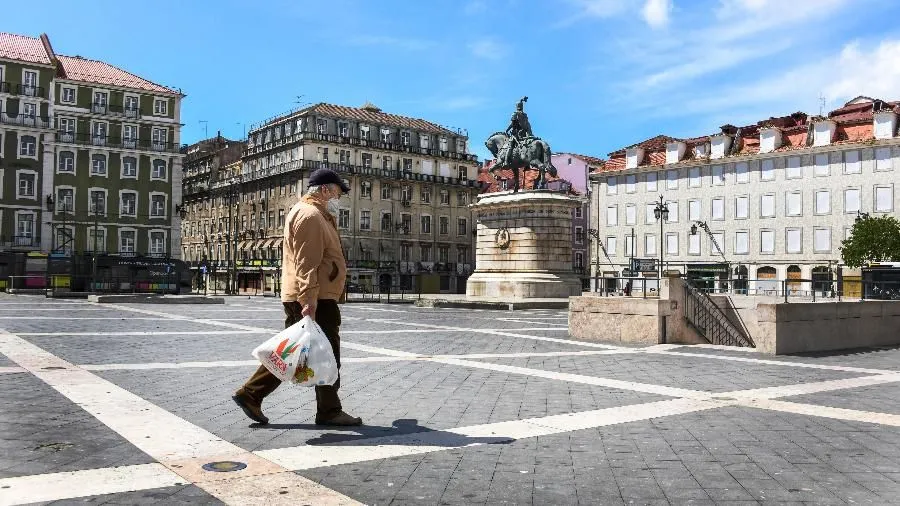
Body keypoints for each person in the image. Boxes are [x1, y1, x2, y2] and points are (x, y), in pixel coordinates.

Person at [232, 168, 362, 426]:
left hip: (316, 295)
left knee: (297, 353)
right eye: (338, 192)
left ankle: (252, 394)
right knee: (324, 355)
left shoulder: (318, 214)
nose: (340, 198)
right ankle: (328, 411)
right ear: (325, 189)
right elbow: (306, 263)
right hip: (316, 298)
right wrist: (309, 301)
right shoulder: (310, 215)